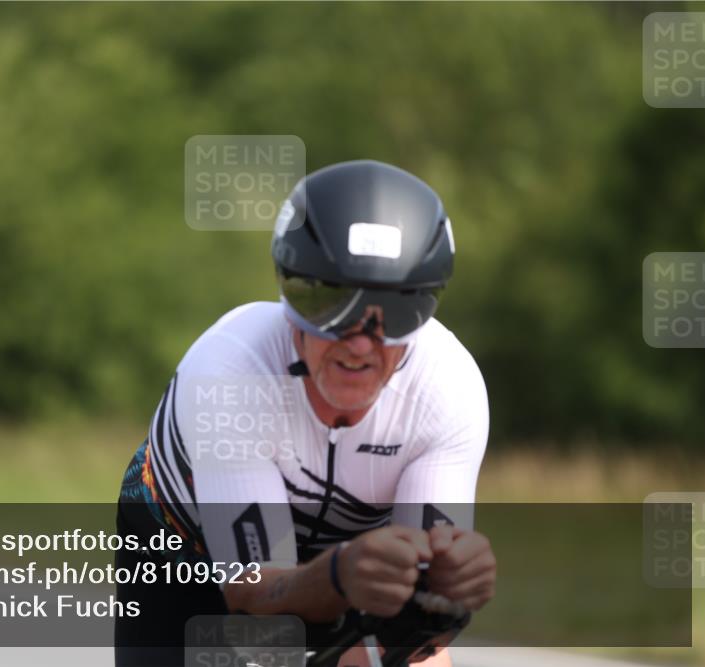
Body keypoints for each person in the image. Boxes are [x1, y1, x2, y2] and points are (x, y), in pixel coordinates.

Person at [114, 160, 496, 667]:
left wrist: (446, 594)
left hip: (353, 556)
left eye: (396, 312)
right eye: (329, 304)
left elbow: (420, 617)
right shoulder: (230, 373)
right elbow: (252, 601)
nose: (359, 343)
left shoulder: (447, 389)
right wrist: (338, 574)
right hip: (187, 541)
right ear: (289, 294)